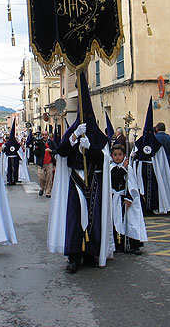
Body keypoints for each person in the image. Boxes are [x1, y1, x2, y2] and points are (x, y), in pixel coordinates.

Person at [48, 72, 113, 273]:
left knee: (94, 218)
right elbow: (62, 153)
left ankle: (91, 252)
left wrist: (91, 148)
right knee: (75, 219)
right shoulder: (73, 131)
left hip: (94, 181)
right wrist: (74, 138)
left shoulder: (98, 136)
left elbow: (104, 159)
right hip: (76, 180)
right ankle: (74, 255)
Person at [130, 100, 170, 215]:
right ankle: (145, 207)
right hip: (142, 170)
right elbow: (134, 156)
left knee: (154, 188)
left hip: (153, 170)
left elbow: (161, 161)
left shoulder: (156, 145)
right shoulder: (140, 143)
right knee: (143, 188)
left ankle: (153, 206)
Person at [110, 144, 146, 255]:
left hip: (125, 198)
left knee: (129, 220)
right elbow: (114, 178)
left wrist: (129, 198)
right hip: (114, 198)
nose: (117, 157)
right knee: (115, 221)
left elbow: (132, 184)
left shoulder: (129, 168)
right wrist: (122, 168)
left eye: (120, 155)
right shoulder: (110, 167)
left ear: (124, 155)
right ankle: (116, 244)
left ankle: (133, 245)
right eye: (115, 155)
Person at [34, 129, 57, 197]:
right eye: (43, 135)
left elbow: (56, 150)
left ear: (48, 135)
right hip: (41, 163)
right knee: (41, 177)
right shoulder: (39, 142)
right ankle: (42, 188)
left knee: (49, 178)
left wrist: (50, 150)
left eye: (45, 135)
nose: (44, 136)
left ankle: (48, 192)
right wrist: (37, 147)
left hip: (49, 163)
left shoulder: (51, 142)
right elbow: (36, 153)